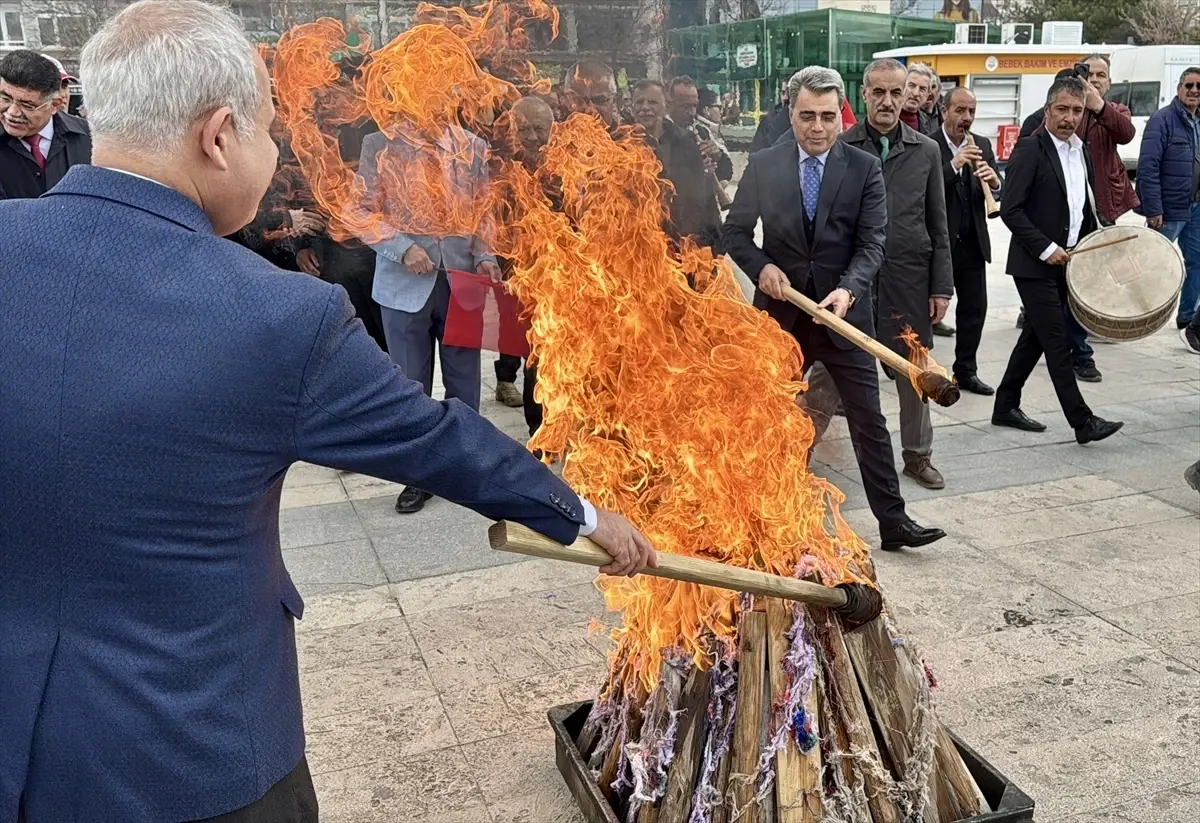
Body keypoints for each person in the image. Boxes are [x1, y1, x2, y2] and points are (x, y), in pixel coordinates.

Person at [0, 3, 658, 821]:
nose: (276, 150)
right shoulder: (276, 315)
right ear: (218, 136)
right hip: (197, 757)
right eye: (271, 131)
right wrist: (582, 514)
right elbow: (435, 437)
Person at [723, 65, 945, 552]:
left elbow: (873, 244)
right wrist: (761, 267)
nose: (817, 127)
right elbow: (735, 232)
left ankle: (894, 522)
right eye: (807, 116)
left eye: (827, 116)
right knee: (770, 416)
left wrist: (849, 290)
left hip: (844, 317)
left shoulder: (862, 169)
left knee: (869, 420)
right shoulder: (764, 164)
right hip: (780, 318)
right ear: (791, 113)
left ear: (841, 115)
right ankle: (762, 513)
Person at [359, 112, 504, 515]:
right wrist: (401, 247)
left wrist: (487, 254)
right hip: (404, 283)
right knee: (409, 384)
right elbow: (360, 211)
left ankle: (469, 464)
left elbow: (484, 208)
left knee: (465, 380)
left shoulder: (471, 144)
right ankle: (418, 475)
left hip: (461, 279)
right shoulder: (379, 144)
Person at [842, 58, 954, 491]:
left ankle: (918, 456)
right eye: (878, 92)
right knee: (835, 366)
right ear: (864, 95)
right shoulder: (843, 145)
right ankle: (798, 447)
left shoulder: (926, 150)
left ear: (910, 94)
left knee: (915, 368)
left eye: (896, 92)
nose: (887, 101)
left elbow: (937, 223)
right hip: (854, 280)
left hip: (909, 277)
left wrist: (940, 285)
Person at [993, 76, 1123, 444]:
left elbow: (1081, 208)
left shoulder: (1081, 151)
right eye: (1062, 109)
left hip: (1069, 264)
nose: (1069, 118)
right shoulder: (1030, 150)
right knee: (1057, 341)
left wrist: (1094, 243)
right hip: (1033, 265)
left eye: (1077, 111)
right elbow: (1011, 210)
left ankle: (1005, 405)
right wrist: (1047, 248)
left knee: (1034, 338)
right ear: (1047, 111)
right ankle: (1082, 422)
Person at [934, 87, 1001, 396]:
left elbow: (997, 186)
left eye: (971, 112)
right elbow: (924, 188)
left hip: (973, 240)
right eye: (960, 111)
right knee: (927, 311)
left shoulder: (983, 145)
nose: (967, 118)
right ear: (944, 110)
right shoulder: (928, 144)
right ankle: (911, 364)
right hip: (939, 245)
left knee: (975, 309)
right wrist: (955, 163)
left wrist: (993, 182)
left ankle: (966, 370)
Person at [493, 96, 555, 420]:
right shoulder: (503, 170)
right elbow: (492, 223)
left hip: (576, 283)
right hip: (526, 281)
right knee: (536, 360)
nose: (531, 136)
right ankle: (540, 435)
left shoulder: (569, 165)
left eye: (539, 128)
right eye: (524, 129)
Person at [1138, 66, 1200, 331]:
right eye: (1189, 85)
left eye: (1199, 86)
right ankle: (1133, 314)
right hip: (1167, 211)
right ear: (1179, 89)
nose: (1194, 91)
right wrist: (1153, 208)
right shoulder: (1162, 120)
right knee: (1147, 265)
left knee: (1197, 263)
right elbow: (1147, 167)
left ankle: (1187, 317)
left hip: (1196, 208)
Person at [633, 79, 722, 252]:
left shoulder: (687, 142)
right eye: (639, 102)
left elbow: (704, 199)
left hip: (683, 245)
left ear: (665, 106)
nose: (645, 107)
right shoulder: (618, 145)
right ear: (631, 107)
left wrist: (715, 244)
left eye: (652, 102)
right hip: (640, 247)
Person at [0, 49, 91, 199]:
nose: (12, 113)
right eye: (6, 99)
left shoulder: (89, 137)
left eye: (27, 105)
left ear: (55, 105)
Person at [668, 76, 733, 184]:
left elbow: (727, 174)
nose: (692, 112)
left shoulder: (701, 131)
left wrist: (717, 157)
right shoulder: (660, 133)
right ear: (669, 105)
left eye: (694, 106)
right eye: (685, 106)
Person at [563, 60, 623, 131]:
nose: (590, 109)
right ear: (567, 101)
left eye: (599, 100)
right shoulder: (556, 139)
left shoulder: (629, 137)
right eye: (580, 101)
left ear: (616, 101)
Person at [748, 80, 790, 153]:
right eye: (783, 93)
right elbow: (756, 158)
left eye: (790, 93)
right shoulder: (768, 122)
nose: (785, 98)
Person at [902, 63, 940, 138]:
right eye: (912, 86)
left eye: (922, 89)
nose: (916, 93)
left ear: (928, 94)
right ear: (902, 86)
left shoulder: (930, 124)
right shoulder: (888, 116)